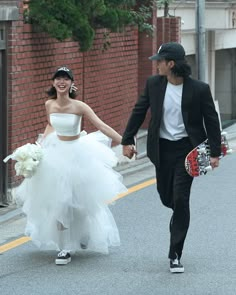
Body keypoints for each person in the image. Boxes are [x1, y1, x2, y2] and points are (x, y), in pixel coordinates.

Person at [121, 42, 221, 273]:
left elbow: (211, 120)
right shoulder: (154, 84)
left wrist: (214, 153)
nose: (156, 65)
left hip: (189, 151)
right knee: (167, 197)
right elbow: (139, 110)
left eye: (160, 61)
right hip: (162, 150)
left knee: (181, 198)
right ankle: (176, 213)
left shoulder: (199, 89)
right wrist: (127, 140)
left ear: (171, 64)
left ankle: (175, 253)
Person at [14, 66, 127, 265]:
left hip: (78, 154)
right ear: (53, 83)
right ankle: (64, 247)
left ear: (71, 84)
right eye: (58, 78)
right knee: (59, 201)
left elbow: (101, 126)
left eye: (66, 79)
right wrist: (39, 147)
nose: (61, 82)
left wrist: (125, 141)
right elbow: (50, 124)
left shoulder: (79, 106)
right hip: (55, 154)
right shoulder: (49, 104)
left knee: (79, 202)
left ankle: (82, 234)